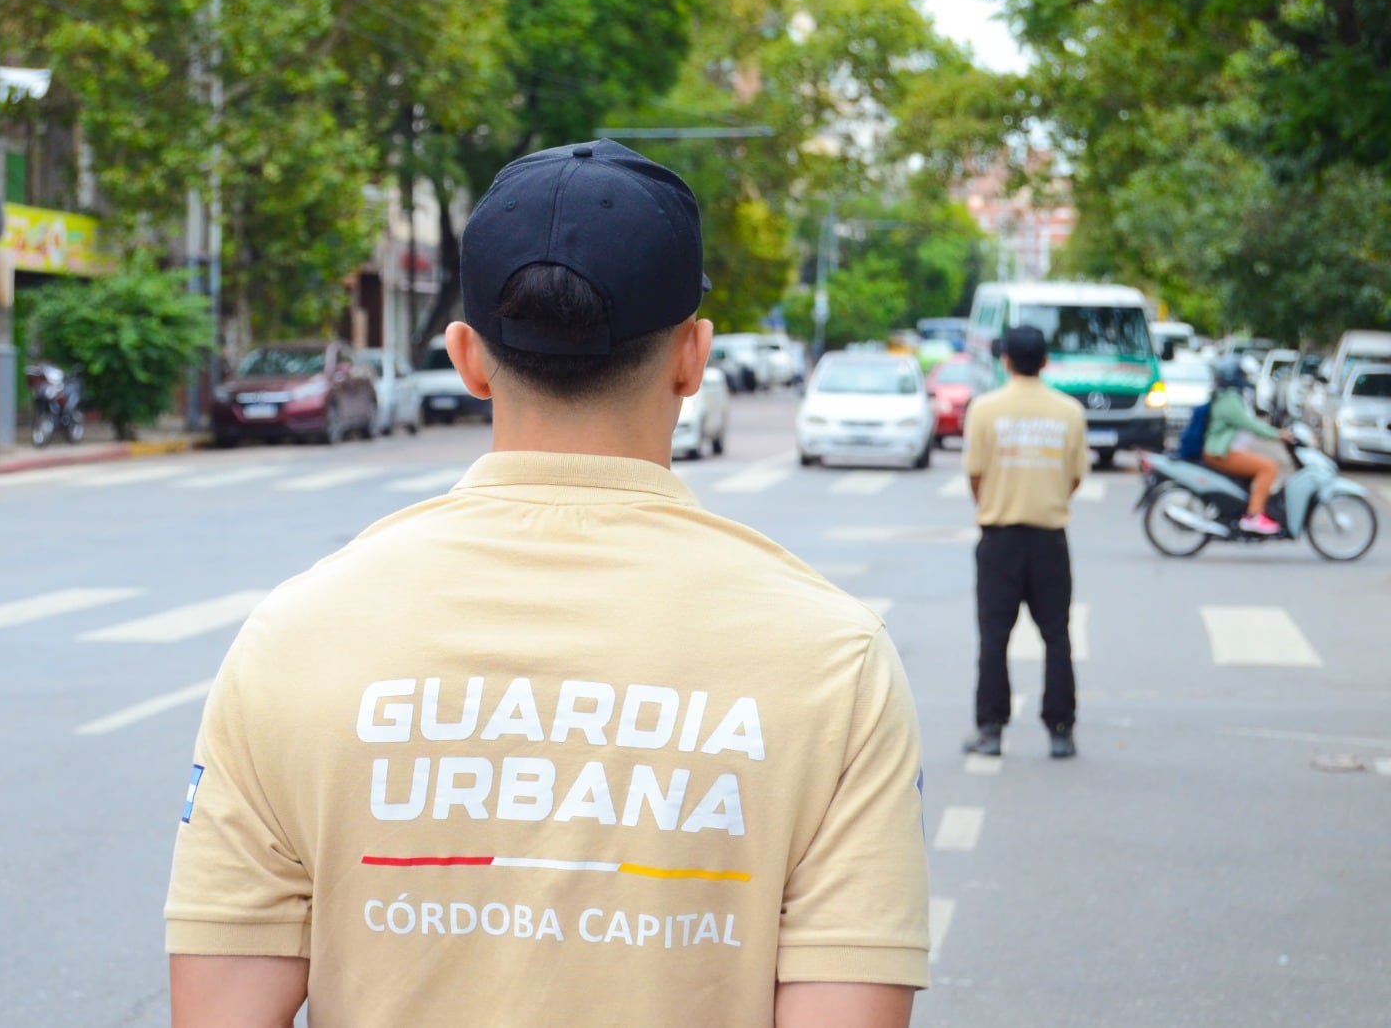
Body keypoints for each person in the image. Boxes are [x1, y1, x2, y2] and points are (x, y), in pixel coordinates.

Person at [165, 140, 929, 1028]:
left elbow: (219, 1011)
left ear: (467, 357)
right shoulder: (833, 660)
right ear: (692, 357)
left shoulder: (295, 636)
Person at [961, 325, 1087, 760]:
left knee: (994, 637)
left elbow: (975, 474)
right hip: (1050, 539)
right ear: (1046, 361)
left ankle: (991, 730)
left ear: (1006, 360)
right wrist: (1046, 501)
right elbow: (1074, 476)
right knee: (1056, 635)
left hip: (999, 540)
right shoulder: (1069, 412)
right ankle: (1060, 730)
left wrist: (997, 501)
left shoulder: (985, 409)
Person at [1202, 356, 1291, 535]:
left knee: (1265, 463)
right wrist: (1277, 434)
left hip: (1231, 450)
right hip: (1222, 452)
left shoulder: (1230, 396)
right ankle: (1253, 516)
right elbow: (1249, 423)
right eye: (1242, 375)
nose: (1246, 379)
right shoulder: (1229, 399)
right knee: (1269, 468)